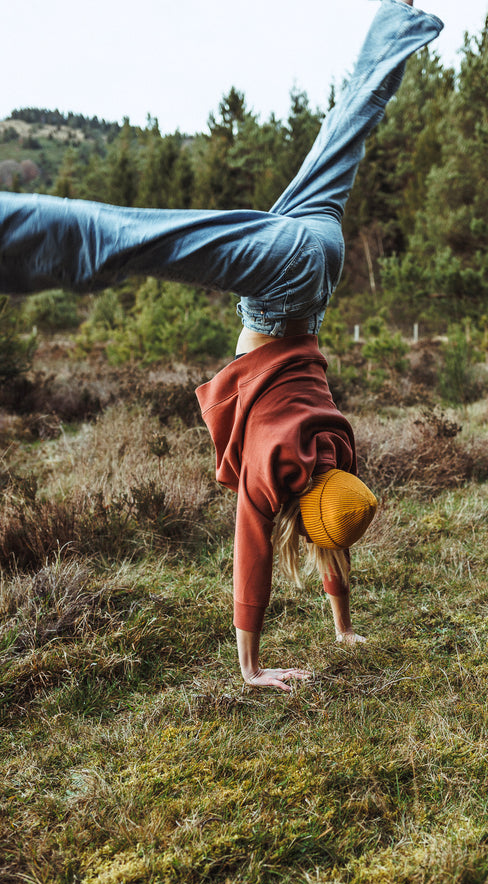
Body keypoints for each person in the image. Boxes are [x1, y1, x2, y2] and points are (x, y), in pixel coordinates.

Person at [0, 0, 443, 690]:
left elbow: (335, 532)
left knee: (345, 131)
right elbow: (253, 559)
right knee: (131, 239)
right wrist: (250, 667)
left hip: (318, 262)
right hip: (282, 281)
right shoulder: (275, 474)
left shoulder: (338, 453)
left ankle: (399, 20)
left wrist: (343, 627)